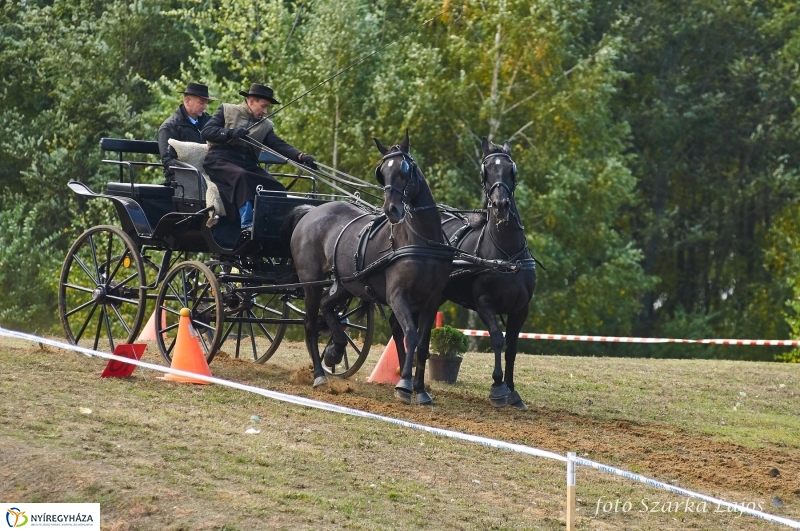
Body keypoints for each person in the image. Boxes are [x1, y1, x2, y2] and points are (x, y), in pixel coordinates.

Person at [200, 83, 318, 230]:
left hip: (246, 163)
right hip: (219, 159)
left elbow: (279, 145)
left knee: (276, 187)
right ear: (251, 101)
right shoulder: (227, 110)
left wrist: (301, 156)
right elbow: (206, 132)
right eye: (263, 106)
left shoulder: (266, 125)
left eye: (267, 107)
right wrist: (230, 133)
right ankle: (247, 222)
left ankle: (276, 225)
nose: (265, 111)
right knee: (242, 177)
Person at [157, 82, 215, 181]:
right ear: (187, 101)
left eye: (206, 103)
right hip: (182, 180)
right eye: (201, 103)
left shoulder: (209, 122)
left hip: (209, 174)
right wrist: (194, 172)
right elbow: (168, 162)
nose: (205, 107)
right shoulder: (169, 127)